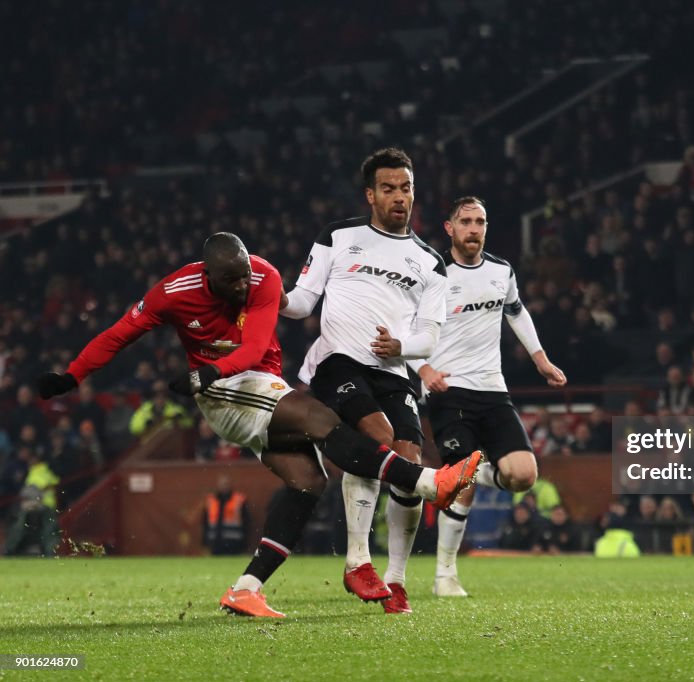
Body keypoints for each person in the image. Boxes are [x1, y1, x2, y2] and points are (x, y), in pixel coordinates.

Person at [38, 232, 480, 618]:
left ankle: (246, 590)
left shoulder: (263, 277)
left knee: (309, 482)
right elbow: (118, 334)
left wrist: (206, 371)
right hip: (225, 395)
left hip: (251, 379)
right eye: (230, 280)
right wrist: (71, 376)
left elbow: (252, 350)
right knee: (323, 420)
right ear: (208, 275)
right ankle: (428, 484)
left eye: (244, 275)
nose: (241, 286)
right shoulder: (174, 291)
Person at [280, 148, 453, 614]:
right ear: (371, 194)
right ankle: (357, 560)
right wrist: (268, 296)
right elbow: (301, 301)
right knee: (376, 435)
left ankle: (395, 579)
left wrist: (402, 347)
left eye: (407, 188)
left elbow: (430, 338)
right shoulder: (339, 236)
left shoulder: (430, 263)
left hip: (393, 371)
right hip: (339, 362)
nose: (400, 197)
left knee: (409, 460)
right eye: (390, 189)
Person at [405, 196, 566, 597]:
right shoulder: (431, 274)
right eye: (466, 222)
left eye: (480, 222)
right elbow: (402, 328)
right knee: (464, 483)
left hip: (493, 390)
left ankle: (468, 470)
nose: (474, 229)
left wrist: (541, 360)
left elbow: (516, 311)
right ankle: (445, 575)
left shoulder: (501, 270)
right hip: (448, 389)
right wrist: (423, 370)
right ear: (450, 228)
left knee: (523, 476)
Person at [203, 475, 250, 555]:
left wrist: (245, 541)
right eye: (222, 484)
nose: (224, 487)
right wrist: (205, 541)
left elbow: (246, 522)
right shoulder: (211, 501)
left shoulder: (238, 500)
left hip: (234, 543)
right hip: (215, 542)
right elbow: (205, 523)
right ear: (218, 486)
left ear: (230, 485)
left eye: (226, 484)